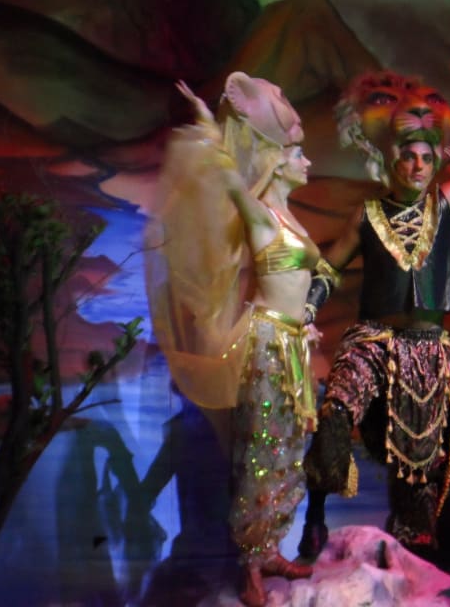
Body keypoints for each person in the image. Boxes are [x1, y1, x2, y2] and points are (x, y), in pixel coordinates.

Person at [297, 50, 450, 559]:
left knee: (419, 463)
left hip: (427, 351)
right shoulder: (368, 213)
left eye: (426, 158)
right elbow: (328, 268)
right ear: (390, 159)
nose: (417, 166)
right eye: (407, 156)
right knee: (335, 413)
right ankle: (315, 514)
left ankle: (413, 551)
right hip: (371, 339)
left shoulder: (448, 204)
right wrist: (306, 309)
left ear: (436, 162)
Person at [145, 73, 321, 606]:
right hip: (266, 344)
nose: (307, 160)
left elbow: (306, 278)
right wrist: (208, 124)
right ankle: (249, 569)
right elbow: (226, 174)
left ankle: (271, 549)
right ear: (278, 165)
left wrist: (307, 321)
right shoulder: (261, 215)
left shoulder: (291, 218)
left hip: (294, 343)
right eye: (297, 155)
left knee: (288, 449)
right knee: (261, 449)